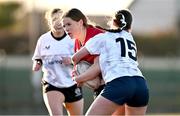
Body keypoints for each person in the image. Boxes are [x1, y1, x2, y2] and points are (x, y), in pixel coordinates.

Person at [71, 9, 149, 115]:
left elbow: (75, 58)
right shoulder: (130, 38)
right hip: (141, 84)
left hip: (119, 83)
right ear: (130, 27)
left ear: (112, 22)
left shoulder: (103, 37)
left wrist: (78, 78)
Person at [32, 8, 83, 116]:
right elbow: (38, 58)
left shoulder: (73, 38)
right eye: (54, 19)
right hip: (52, 83)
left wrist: (72, 61)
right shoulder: (43, 39)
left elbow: (83, 61)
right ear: (49, 21)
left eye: (61, 19)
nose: (58, 22)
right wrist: (37, 64)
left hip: (72, 84)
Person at [62, 8, 105, 98]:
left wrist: (78, 79)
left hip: (113, 83)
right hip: (101, 87)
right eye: (64, 26)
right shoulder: (77, 42)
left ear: (80, 22)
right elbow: (77, 68)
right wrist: (78, 76)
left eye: (69, 24)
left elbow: (98, 66)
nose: (66, 28)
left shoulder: (95, 35)